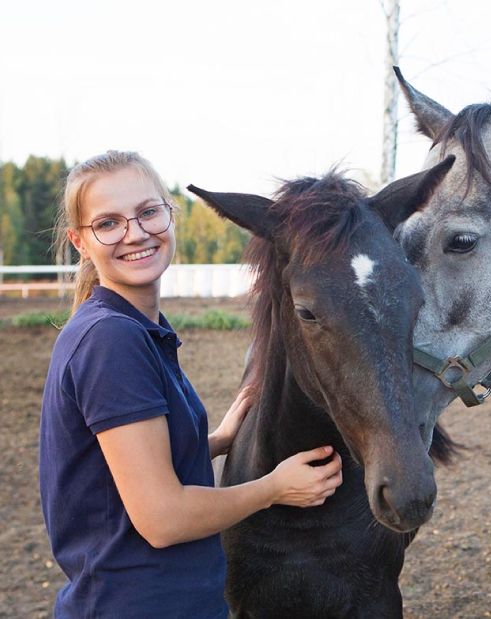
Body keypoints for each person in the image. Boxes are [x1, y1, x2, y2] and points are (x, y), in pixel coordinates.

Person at [39, 150, 344, 619]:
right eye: (108, 224)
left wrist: (218, 442)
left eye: (147, 212)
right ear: (80, 242)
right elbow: (163, 519)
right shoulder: (111, 339)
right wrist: (273, 488)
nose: (135, 233)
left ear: (170, 214)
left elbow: (126, 472)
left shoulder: (134, 327)